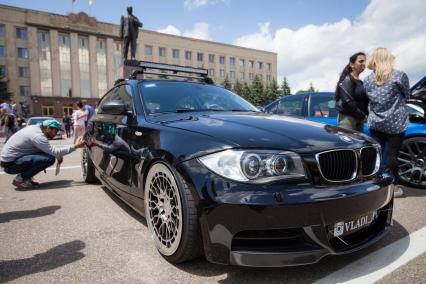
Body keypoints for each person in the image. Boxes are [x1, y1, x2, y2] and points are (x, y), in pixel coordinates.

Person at [364, 48, 410, 198]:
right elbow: (406, 95)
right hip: (396, 121)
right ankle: (394, 187)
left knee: (376, 153)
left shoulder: (367, 80)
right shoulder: (399, 75)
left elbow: (368, 100)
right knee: (392, 155)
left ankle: (373, 183)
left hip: (376, 121)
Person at [0, 119, 85, 189]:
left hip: (11, 161)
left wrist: (56, 154)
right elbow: (54, 152)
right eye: (56, 131)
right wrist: (75, 146)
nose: (56, 134)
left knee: (48, 156)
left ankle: (26, 177)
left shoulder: (35, 128)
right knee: (49, 159)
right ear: (48, 128)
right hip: (10, 165)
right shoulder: (38, 136)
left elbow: (45, 149)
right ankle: (20, 180)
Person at [335, 52, 369, 132]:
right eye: (361, 61)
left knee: (358, 144)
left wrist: (366, 115)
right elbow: (347, 102)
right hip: (347, 119)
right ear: (352, 64)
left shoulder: (360, 82)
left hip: (359, 119)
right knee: (348, 144)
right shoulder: (347, 80)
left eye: (365, 61)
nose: (364, 64)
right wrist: (362, 116)